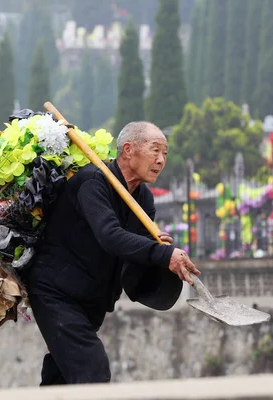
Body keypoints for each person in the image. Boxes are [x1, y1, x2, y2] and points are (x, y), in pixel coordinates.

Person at [26, 121, 201, 385]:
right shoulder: (92, 182)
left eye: (165, 153)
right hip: (57, 292)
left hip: (94, 301)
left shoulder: (144, 199)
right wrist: (163, 255)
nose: (161, 160)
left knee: (61, 377)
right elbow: (110, 236)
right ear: (128, 149)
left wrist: (159, 247)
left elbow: (133, 251)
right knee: (92, 370)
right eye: (155, 150)